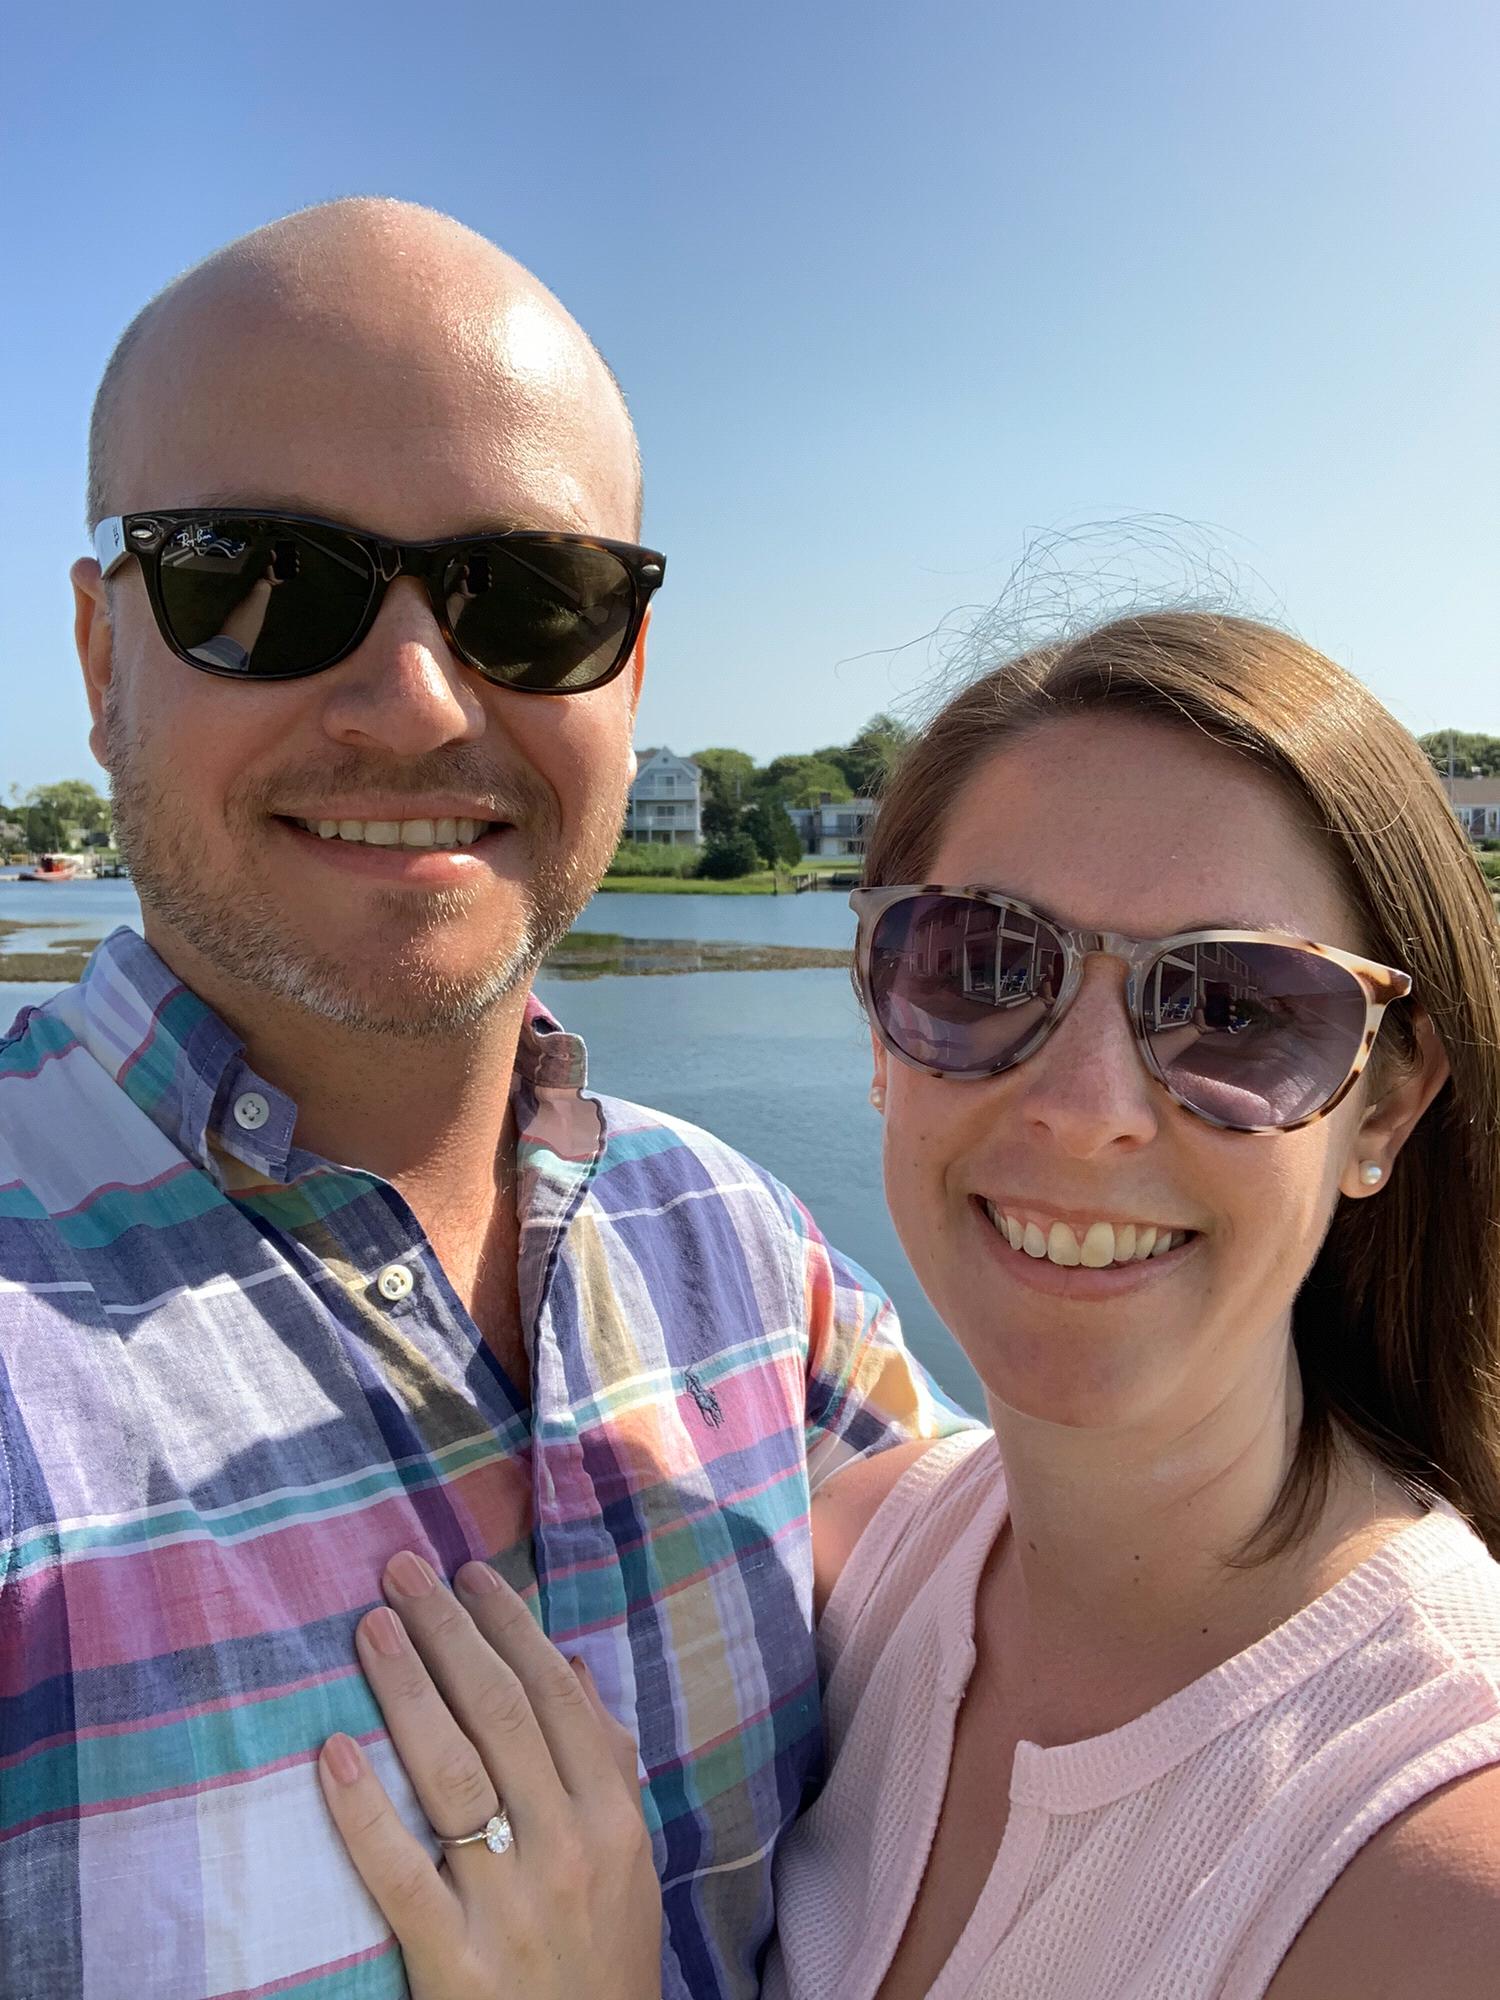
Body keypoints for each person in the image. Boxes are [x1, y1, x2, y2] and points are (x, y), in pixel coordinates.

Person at [0, 198, 966, 2000]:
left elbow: (1137, 1627)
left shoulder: (745, 1262)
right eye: (257, 580)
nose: (418, 702)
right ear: (101, 654)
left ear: (629, 671)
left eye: (531, 601)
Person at [344, 612, 1500, 1998]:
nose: (1085, 1109)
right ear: (884, 1032)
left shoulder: (1444, 1869)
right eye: (986, 966)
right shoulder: (858, 1575)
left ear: (1385, 1103)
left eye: (1238, 1007)